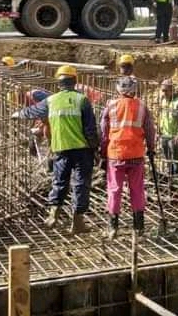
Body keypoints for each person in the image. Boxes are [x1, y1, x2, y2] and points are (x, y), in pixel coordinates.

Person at [34, 65, 99, 235]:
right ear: (75, 81)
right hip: (81, 149)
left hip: (60, 148)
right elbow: (90, 129)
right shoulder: (82, 100)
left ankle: (53, 216)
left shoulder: (50, 101)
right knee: (80, 184)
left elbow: (45, 123)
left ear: (59, 83)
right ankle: (77, 222)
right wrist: (96, 149)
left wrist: (50, 143)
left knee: (59, 181)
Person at [99, 76, 156, 240]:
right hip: (136, 155)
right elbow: (150, 130)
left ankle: (112, 227)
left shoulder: (111, 105)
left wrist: (103, 151)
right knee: (137, 189)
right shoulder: (142, 106)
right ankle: (139, 228)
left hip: (116, 154)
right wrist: (151, 148)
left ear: (118, 89)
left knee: (114, 189)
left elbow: (103, 131)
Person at [157, 79, 178, 185]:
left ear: (172, 90)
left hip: (174, 134)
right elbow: (160, 115)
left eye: (166, 90)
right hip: (165, 132)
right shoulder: (163, 100)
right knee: (166, 153)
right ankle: (170, 172)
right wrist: (158, 130)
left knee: (175, 153)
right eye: (163, 90)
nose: (164, 93)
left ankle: (177, 174)